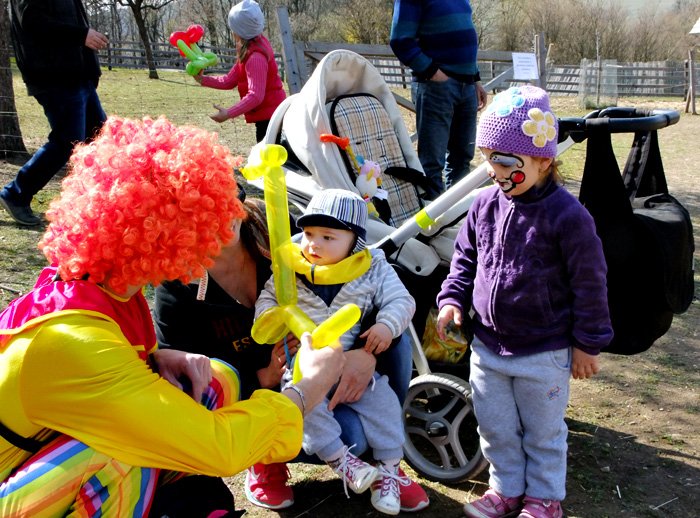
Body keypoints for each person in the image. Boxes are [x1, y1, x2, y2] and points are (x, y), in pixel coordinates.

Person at [0, 115, 345, 517]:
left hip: (41, 458)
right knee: (113, 450)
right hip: (15, 486)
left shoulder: (104, 292)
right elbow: (220, 448)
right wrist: (305, 391)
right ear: (167, 231)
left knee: (217, 380)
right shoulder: (75, 341)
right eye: (206, 217)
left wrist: (151, 360)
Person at [154, 192, 430, 513]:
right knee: (349, 433)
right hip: (261, 396)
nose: (224, 215)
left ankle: (387, 468)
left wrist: (365, 353)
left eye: (229, 200)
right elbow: (186, 382)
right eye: (204, 209)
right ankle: (265, 459)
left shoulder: (275, 233)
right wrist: (258, 376)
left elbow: (384, 291)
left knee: (396, 348)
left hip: (327, 363)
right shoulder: (177, 286)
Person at [435, 86, 613, 518]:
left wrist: (587, 343)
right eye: (487, 157)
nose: (492, 170)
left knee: (543, 432)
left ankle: (545, 499)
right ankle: (506, 489)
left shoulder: (570, 218)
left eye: (504, 161)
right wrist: (452, 299)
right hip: (488, 346)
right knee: (495, 427)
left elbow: (590, 284)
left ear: (543, 161)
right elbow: (464, 259)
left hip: (544, 351)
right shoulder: (484, 206)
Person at [256, 189, 416, 516]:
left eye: (328, 237)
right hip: (308, 365)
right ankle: (342, 462)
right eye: (310, 234)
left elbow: (402, 301)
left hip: (353, 366)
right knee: (305, 408)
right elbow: (266, 300)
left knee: (384, 402)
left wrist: (386, 325)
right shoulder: (290, 271)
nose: (314, 244)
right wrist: (271, 318)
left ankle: (387, 468)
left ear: (354, 241)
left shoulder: (372, 268)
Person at [1, 0, 108, 226]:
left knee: (99, 138)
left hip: (79, 75)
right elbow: (32, 22)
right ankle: (16, 194)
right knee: (67, 141)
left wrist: (91, 69)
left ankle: (97, 204)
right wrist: (81, 35)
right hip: (55, 76)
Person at [389, 0, 488, 201]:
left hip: (466, 86)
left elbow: (464, 42)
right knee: (432, 162)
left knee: (462, 158)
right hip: (436, 87)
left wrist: (475, 79)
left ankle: (457, 215)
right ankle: (432, 221)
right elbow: (400, 40)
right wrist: (431, 71)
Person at [194, 0, 286, 143]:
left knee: (268, 162)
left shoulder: (256, 58)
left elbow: (255, 96)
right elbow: (229, 80)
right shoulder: (250, 48)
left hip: (272, 121)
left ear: (239, 30)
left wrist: (228, 113)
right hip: (268, 117)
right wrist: (202, 79)